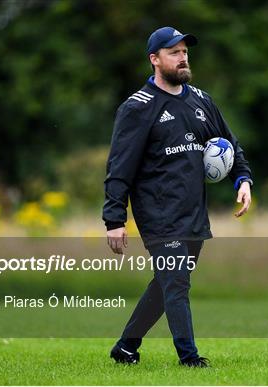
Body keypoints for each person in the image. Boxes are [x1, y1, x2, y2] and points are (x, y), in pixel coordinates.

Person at [103, 26, 253, 368]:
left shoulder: (201, 100)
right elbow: (119, 168)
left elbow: (229, 142)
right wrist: (114, 218)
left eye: (185, 51)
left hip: (193, 213)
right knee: (177, 284)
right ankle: (190, 358)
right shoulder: (137, 108)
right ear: (155, 60)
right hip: (158, 215)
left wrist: (242, 179)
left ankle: (126, 346)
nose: (182, 57)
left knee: (166, 283)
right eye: (174, 52)